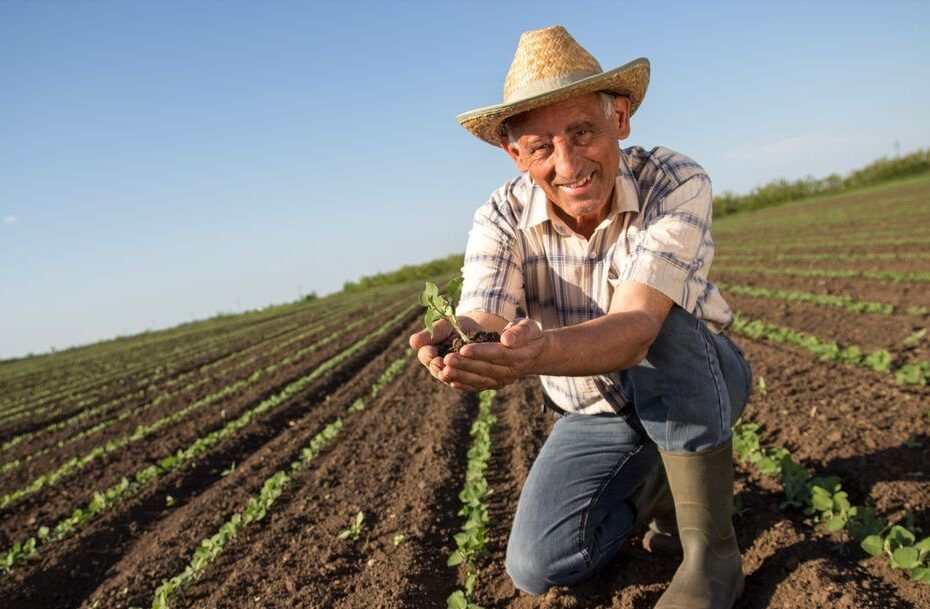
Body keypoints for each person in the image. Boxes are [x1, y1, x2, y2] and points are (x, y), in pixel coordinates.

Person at [408, 26, 751, 609]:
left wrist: (538, 352)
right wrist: (470, 340)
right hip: (595, 408)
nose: (568, 163)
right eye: (540, 147)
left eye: (582, 132)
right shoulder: (499, 216)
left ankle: (710, 555)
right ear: (514, 154)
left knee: (665, 323)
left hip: (696, 382)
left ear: (619, 118)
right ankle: (657, 487)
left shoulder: (673, 181)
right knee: (538, 565)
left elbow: (640, 324)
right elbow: (487, 309)